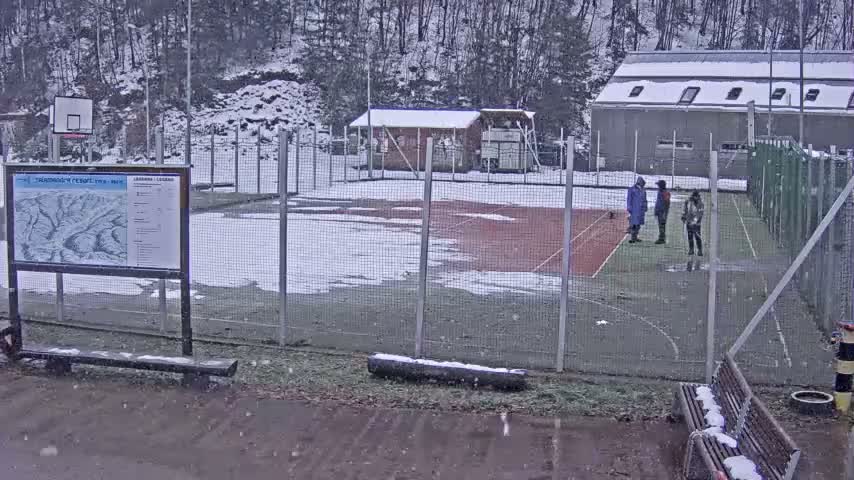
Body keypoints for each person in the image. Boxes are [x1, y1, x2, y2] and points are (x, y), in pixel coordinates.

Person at [682, 190, 704, 256]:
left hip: (696, 224)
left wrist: (694, 221)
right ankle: (691, 249)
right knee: (690, 236)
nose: (695, 198)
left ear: (698, 196)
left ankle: (700, 250)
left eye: (696, 197)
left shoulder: (701, 204)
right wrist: (683, 216)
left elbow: (700, 214)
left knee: (697, 237)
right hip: (689, 222)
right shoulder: (688, 202)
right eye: (694, 196)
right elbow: (685, 209)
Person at [626, 177, 648, 243]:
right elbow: (629, 199)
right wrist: (629, 208)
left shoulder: (643, 190)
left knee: (638, 224)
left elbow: (645, 200)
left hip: (641, 210)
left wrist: (645, 206)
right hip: (634, 210)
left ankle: (636, 237)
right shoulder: (632, 189)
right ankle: (633, 238)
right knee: (633, 224)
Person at [654, 180, 671, 244]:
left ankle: (662, 239)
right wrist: (656, 211)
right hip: (659, 212)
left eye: (658, 185)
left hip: (662, 212)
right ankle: (661, 238)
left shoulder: (665, 192)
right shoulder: (660, 192)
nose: (658, 186)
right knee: (661, 225)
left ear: (661, 186)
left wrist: (664, 213)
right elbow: (658, 203)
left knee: (662, 225)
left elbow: (667, 204)